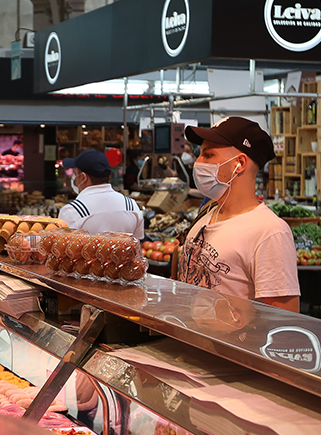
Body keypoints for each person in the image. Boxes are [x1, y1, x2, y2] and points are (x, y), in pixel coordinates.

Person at [174, 116, 300, 312]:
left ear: (239, 164)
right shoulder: (207, 215)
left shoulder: (270, 233)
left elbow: (284, 324)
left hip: (233, 343)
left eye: (208, 155)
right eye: (199, 155)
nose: (198, 163)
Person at [59, 149, 144, 239]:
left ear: (83, 177)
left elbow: (64, 250)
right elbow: (138, 245)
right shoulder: (131, 206)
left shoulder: (72, 211)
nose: (74, 178)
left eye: (75, 173)